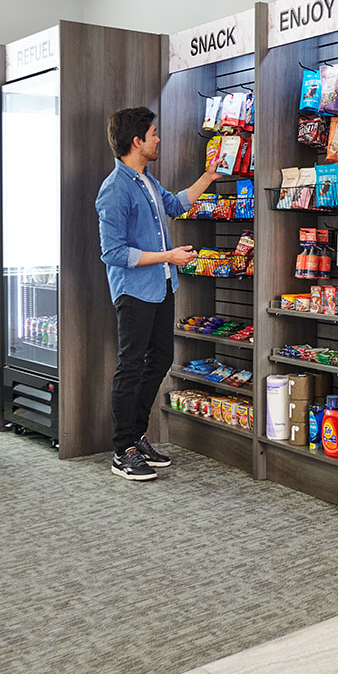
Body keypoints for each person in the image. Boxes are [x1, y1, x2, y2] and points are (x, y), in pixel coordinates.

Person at [96, 106, 220, 481]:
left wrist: (209, 177)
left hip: (163, 287)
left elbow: (176, 204)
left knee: (161, 358)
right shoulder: (114, 189)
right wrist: (169, 256)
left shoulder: (147, 181)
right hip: (134, 293)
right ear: (137, 141)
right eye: (153, 134)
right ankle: (122, 449)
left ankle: (136, 436)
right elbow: (112, 253)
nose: (158, 139)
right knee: (130, 368)